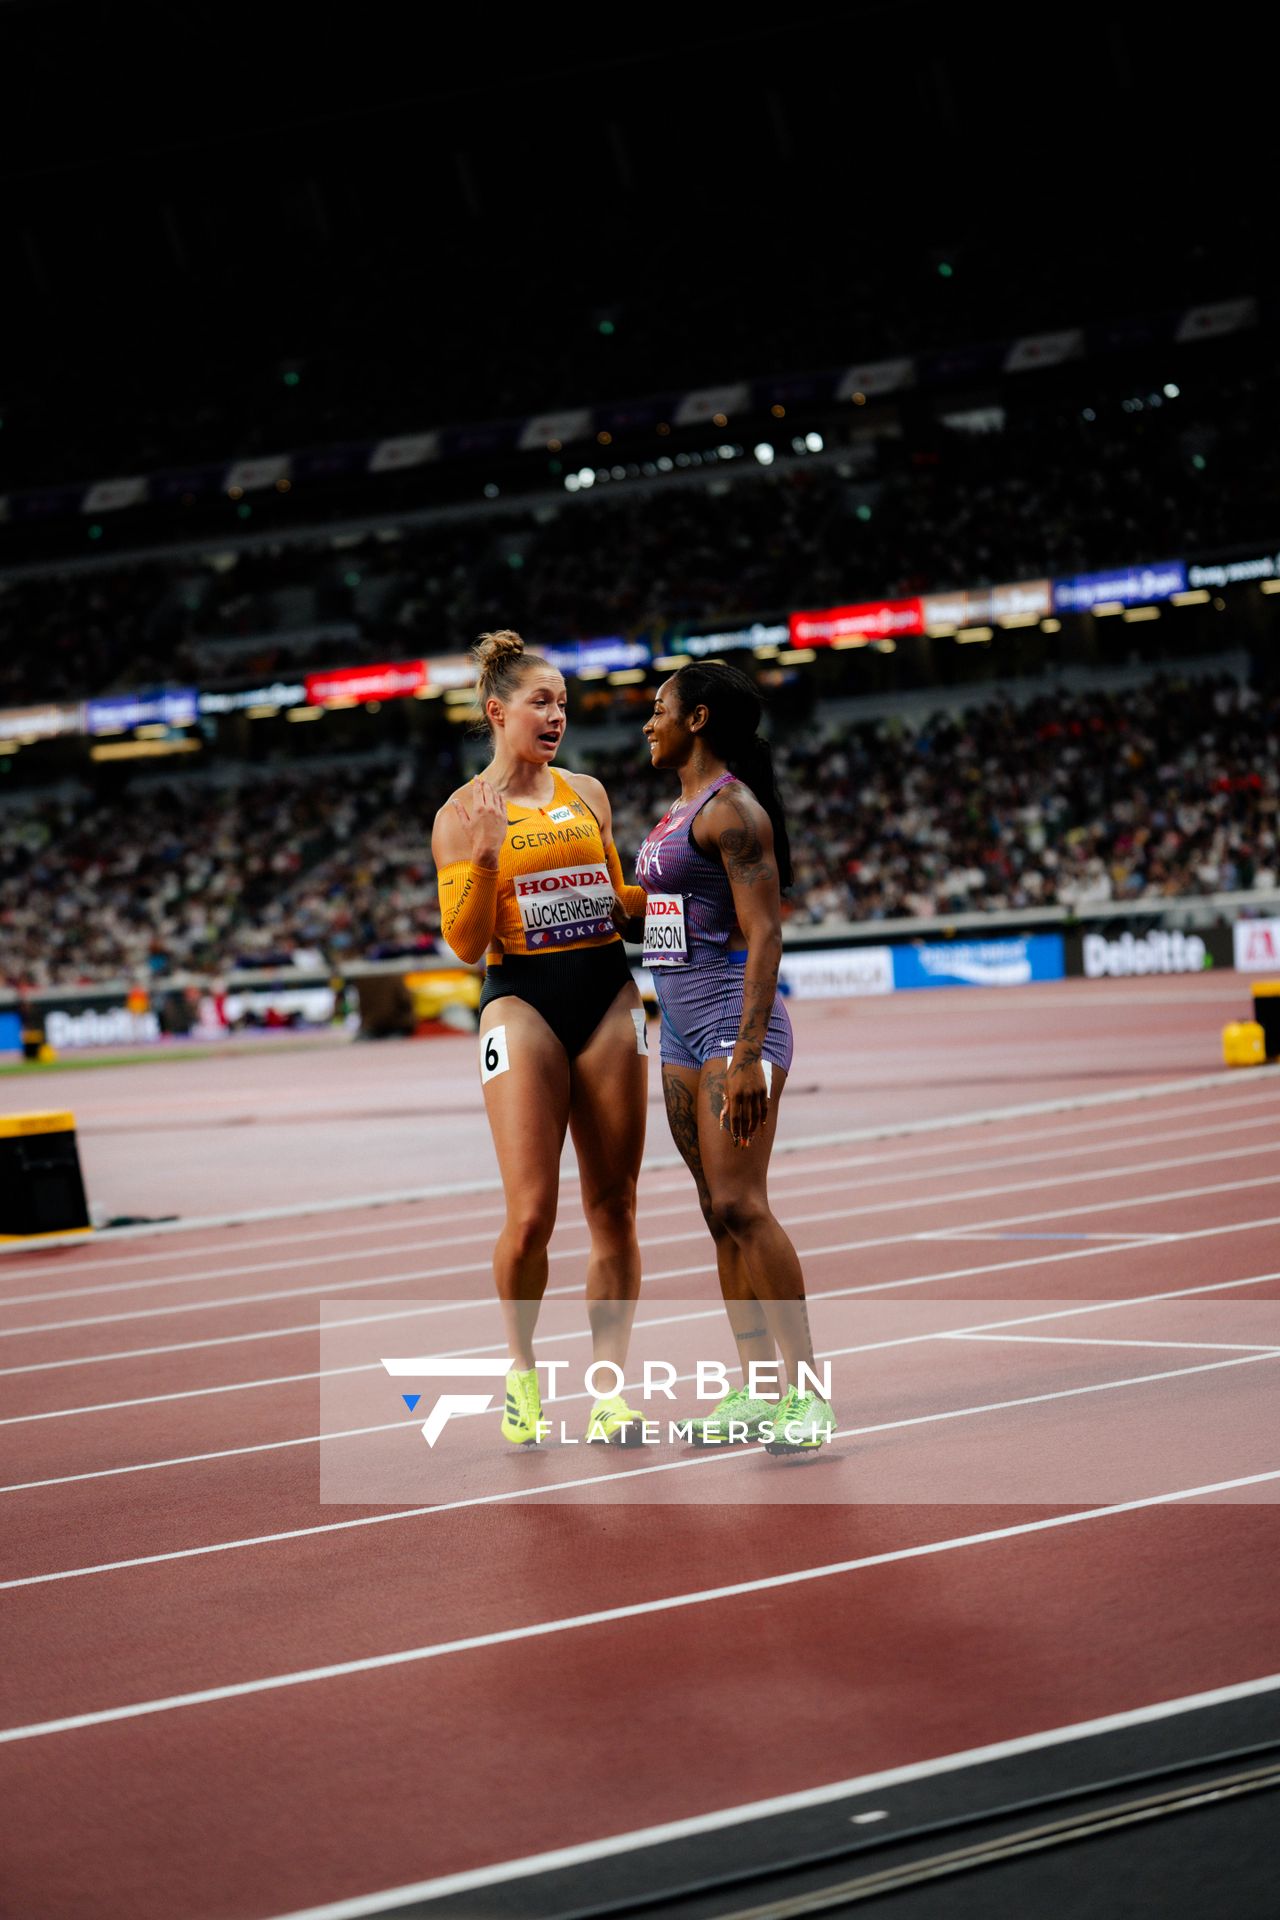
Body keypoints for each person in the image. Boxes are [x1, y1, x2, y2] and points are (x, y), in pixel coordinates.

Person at [432, 630, 650, 1445]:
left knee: (616, 1207)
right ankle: (521, 1372)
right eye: (541, 701)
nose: (557, 714)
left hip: (605, 992)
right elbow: (462, 941)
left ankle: (609, 1391)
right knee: (531, 1216)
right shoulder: (460, 815)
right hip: (521, 999)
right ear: (498, 711)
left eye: (563, 701)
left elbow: (618, 894)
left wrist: (667, 890)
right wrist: (486, 858)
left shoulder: (587, 792)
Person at [629, 660, 835, 1455]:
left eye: (659, 710)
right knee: (717, 1214)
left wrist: (748, 1052)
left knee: (745, 1205)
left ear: (700, 718)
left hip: (729, 1031)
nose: (648, 723)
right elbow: (658, 918)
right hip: (677, 1032)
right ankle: (754, 1391)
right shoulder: (672, 815)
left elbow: (766, 931)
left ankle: (808, 1396)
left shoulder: (732, 811)